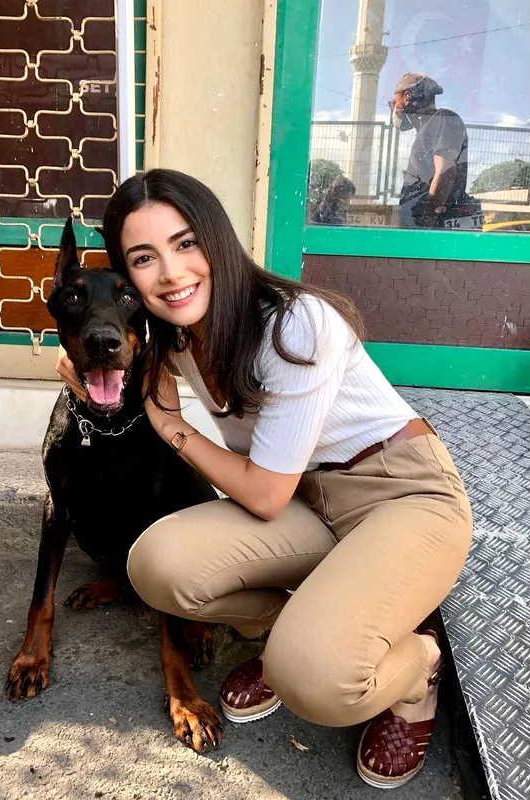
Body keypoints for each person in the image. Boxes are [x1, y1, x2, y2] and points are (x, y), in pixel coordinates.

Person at [56, 168, 473, 789]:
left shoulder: (296, 323)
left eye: (185, 243)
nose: (170, 272)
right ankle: (295, 636)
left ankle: (419, 669)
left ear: (217, 240)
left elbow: (262, 492)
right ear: (128, 277)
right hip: (306, 498)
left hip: (400, 494)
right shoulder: (175, 336)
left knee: (318, 682)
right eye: (144, 258)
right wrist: (86, 366)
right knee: (157, 566)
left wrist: (170, 424)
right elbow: (95, 346)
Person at [389, 73, 480, 230]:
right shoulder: (428, 129)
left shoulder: (443, 119)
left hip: (429, 227)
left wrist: (428, 217)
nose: (394, 108)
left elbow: (446, 172)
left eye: (394, 102)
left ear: (407, 97)